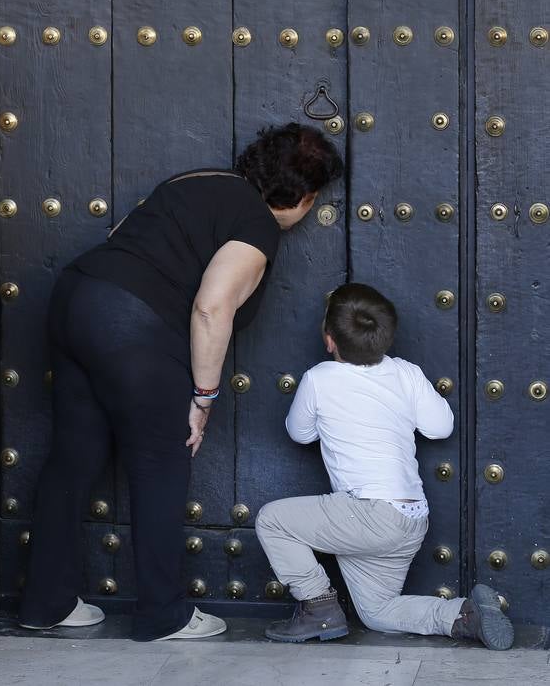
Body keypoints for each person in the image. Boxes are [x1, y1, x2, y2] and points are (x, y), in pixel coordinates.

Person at [18, 123, 343, 642]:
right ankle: (162, 613)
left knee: (73, 458)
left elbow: (119, 235)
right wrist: (204, 396)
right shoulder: (257, 224)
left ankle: (44, 603)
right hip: (132, 326)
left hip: (75, 299)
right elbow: (212, 308)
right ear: (303, 197)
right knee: (162, 462)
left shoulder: (195, 178)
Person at [256, 283, 514, 651]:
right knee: (376, 611)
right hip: (410, 519)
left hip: (368, 514)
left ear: (330, 341)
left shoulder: (319, 379)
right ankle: (463, 616)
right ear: (386, 338)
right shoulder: (406, 373)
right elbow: (441, 427)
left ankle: (317, 607)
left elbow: (299, 433)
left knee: (272, 520)